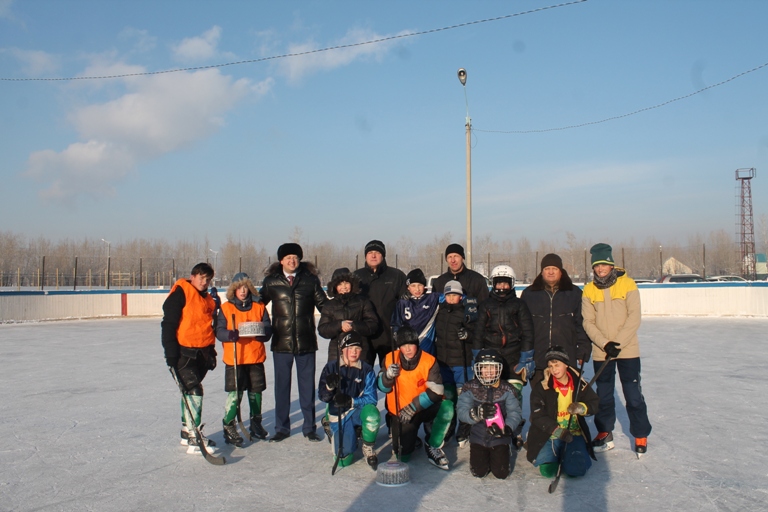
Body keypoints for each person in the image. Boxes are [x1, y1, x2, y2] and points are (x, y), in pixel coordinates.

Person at [582, 243, 651, 455]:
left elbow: (634, 317)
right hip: (602, 351)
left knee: (632, 394)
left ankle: (640, 433)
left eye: (604, 264)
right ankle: (605, 432)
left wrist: (617, 344)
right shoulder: (589, 289)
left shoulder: (628, 284)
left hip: (627, 350)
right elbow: (588, 322)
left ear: (611, 265)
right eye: (597, 265)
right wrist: (605, 344)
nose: (600, 269)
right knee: (603, 394)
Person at [260, 243, 328, 443]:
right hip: (281, 343)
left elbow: (324, 305)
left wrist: (341, 314)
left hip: (306, 341)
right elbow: (257, 305)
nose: (292, 261)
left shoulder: (310, 280)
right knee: (282, 387)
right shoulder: (271, 282)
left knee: (307, 388)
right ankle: (281, 427)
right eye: (288, 257)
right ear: (281, 260)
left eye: (296, 257)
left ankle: (309, 427)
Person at [472, 265, 533, 448]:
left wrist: (526, 357)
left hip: (514, 356)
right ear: (493, 284)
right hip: (492, 356)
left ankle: (514, 428)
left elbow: (528, 331)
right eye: (499, 283)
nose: (502, 287)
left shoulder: (519, 304)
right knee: (490, 393)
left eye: (506, 284)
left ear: (512, 285)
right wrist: (477, 355)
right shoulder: (486, 305)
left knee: (514, 394)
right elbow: (478, 332)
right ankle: (489, 425)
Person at [378, 326, 454, 470]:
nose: (407, 349)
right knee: (403, 455)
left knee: (447, 407)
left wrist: (414, 407)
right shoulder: (390, 358)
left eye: (411, 344)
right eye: (404, 345)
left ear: (417, 344)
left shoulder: (429, 360)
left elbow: (437, 391)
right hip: (401, 414)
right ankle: (411, 439)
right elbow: (382, 387)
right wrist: (387, 377)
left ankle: (433, 445)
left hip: (422, 407)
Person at [161, 262, 219, 454]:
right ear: (192, 276)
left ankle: (187, 431)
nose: (204, 282)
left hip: (201, 353)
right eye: (201, 278)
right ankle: (195, 436)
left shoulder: (208, 299)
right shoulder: (181, 292)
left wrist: (211, 351)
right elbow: (168, 323)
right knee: (194, 391)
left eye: (208, 279)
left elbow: (207, 326)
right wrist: (170, 353)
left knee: (188, 390)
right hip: (183, 353)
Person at [215, 272, 272, 446]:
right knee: (235, 393)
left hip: (254, 356)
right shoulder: (226, 308)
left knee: (256, 391)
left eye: (245, 287)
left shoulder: (259, 306)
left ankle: (256, 422)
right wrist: (228, 334)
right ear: (233, 290)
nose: (242, 291)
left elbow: (268, 327)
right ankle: (229, 424)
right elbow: (218, 330)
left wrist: (264, 334)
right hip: (235, 357)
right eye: (239, 288)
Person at [526, 346, 599, 478]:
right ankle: (553, 455)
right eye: (550, 366)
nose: (554, 370)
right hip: (550, 435)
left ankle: (571, 455)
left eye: (557, 365)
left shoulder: (580, 385)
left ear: (566, 365)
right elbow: (538, 416)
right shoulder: (542, 387)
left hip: (573, 434)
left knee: (576, 470)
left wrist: (582, 408)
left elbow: (594, 403)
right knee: (548, 471)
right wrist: (557, 431)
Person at [520, 253, 591, 385]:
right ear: (541, 272)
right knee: (540, 401)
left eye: (554, 269)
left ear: (561, 271)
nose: (551, 272)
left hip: (566, 359)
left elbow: (581, 324)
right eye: (547, 269)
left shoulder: (574, 293)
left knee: (564, 400)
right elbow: (522, 327)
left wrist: (583, 350)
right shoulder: (529, 294)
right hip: (538, 359)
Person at [317, 332, 381, 470]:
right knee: (343, 461)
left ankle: (367, 446)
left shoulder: (366, 369)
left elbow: (372, 399)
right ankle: (331, 423)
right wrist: (329, 387)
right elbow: (323, 397)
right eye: (350, 348)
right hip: (339, 413)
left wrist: (352, 401)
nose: (354, 352)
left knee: (372, 414)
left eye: (357, 349)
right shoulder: (331, 367)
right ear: (342, 349)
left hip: (357, 410)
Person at [457, 349, 523, 479]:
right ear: (478, 369)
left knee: (501, 473)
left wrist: (507, 428)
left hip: (500, 437)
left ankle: (505, 448)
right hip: (478, 436)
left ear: (499, 369)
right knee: (478, 472)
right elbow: (461, 410)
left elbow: (514, 413)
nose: (488, 371)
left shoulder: (507, 389)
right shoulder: (470, 388)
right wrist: (475, 414)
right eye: (484, 367)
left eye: (492, 368)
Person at [433, 280, 476, 447]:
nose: (452, 298)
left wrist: (468, 334)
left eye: (455, 295)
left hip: (461, 363)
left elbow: (476, 331)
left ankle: (464, 428)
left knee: (463, 398)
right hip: (443, 362)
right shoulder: (440, 311)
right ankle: (448, 427)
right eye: (449, 295)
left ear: (461, 296)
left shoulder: (466, 312)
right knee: (448, 398)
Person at [354, 240, 407, 367]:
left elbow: (406, 305)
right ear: (365, 256)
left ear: (383, 255)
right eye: (370, 253)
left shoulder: (396, 276)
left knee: (390, 377)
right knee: (363, 378)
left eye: (377, 252)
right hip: (364, 337)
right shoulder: (356, 277)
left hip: (389, 337)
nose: (373, 256)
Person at [318, 267, 378, 364]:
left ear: (352, 284)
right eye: (340, 284)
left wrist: (354, 326)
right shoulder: (329, 305)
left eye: (346, 283)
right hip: (336, 351)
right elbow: (323, 329)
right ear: (334, 287)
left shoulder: (363, 302)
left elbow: (373, 324)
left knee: (359, 377)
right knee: (337, 378)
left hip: (359, 349)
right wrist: (339, 325)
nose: (344, 287)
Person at [390, 268, 440, 355]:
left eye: (420, 285)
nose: (417, 289)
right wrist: (397, 337)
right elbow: (395, 323)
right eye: (413, 286)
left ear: (424, 286)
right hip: (408, 346)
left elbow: (451, 295)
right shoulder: (402, 303)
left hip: (426, 345)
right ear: (408, 287)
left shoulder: (432, 299)